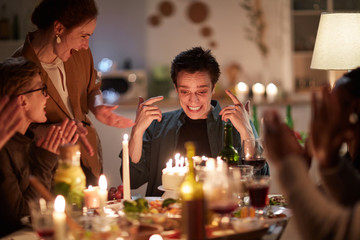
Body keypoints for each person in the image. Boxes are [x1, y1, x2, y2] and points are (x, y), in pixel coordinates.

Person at [13, 0, 134, 186]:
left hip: (87, 157)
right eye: (83, 36)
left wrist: (98, 107)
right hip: (51, 167)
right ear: (59, 28)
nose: (86, 45)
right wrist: (54, 130)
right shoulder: (18, 68)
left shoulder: (80, 53)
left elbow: (93, 88)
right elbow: (15, 130)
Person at [120, 47, 269, 196]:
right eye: (185, 91)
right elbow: (132, 180)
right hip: (165, 216)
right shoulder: (158, 125)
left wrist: (247, 132)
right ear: (176, 89)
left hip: (222, 213)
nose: (193, 100)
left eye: (202, 91)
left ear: (213, 88)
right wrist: (137, 131)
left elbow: (259, 181)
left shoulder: (235, 124)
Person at [263, 77, 360, 240]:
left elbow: (334, 232)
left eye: (330, 105)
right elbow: (352, 202)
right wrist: (329, 161)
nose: (321, 113)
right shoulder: (349, 163)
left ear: (354, 108)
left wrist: (288, 162)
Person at [0, 57, 78, 237]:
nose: (47, 96)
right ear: (23, 101)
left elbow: (52, 202)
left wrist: (57, 158)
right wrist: (44, 162)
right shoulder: (3, 150)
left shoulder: (31, 139)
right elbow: (20, 216)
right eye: (42, 89)